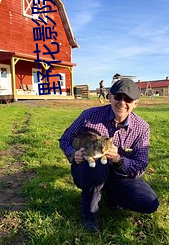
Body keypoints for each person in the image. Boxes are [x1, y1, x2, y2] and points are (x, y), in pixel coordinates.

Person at [59, 79, 159, 232]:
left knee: (149, 202)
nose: (122, 103)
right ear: (110, 97)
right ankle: (90, 215)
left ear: (136, 103)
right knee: (97, 165)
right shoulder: (89, 116)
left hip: (119, 174)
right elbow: (65, 139)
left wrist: (119, 160)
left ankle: (110, 195)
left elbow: (140, 166)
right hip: (88, 169)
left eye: (128, 99)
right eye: (118, 97)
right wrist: (73, 154)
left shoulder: (142, 128)